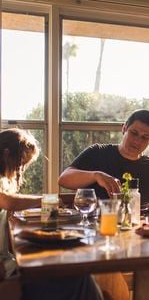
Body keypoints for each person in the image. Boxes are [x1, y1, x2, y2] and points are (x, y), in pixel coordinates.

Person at [0, 128, 102, 300]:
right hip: (6, 268)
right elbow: (6, 201)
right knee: (79, 277)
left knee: (78, 273)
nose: (21, 170)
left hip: (9, 263)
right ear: (6, 154)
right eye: (20, 164)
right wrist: (44, 199)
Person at [58, 109, 149, 204]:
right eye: (134, 133)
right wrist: (96, 176)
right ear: (124, 129)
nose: (137, 141)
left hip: (138, 226)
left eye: (145, 137)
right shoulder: (98, 152)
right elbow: (63, 179)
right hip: (95, 225)